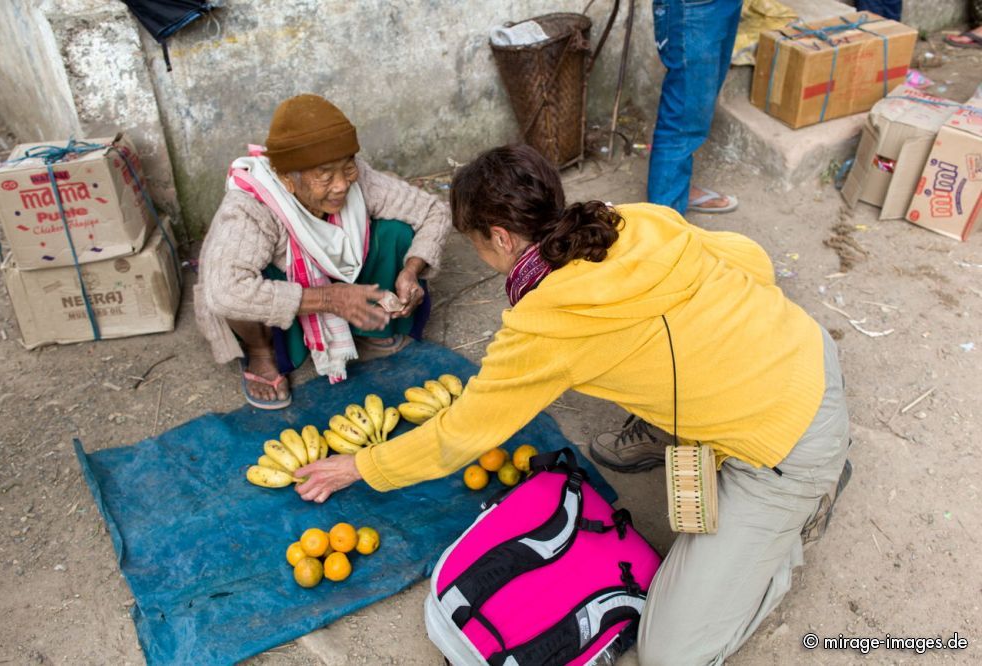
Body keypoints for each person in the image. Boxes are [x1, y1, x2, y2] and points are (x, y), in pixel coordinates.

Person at [294, 144, 852, 664]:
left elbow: (461, 433)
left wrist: (359, 465)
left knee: (669, 651)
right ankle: (687, 429)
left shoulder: (545, 327)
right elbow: (748, 258)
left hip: (786, 448)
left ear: (501, 238)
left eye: (477, 244)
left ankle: (787, 530)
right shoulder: (628, 219)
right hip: (806, 347)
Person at [195, 94, 451, 409]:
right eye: (325, 175)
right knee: (235, 283)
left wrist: (411, 270)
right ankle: (262, 353)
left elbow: (433, 211)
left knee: (395, 232)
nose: (342, 184)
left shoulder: (360, 179)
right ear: (288, 178)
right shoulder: (250, 207)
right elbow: (224, 290)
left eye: (347, 167)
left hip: (331, 274)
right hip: (283, 285)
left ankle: (366, 327)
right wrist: (330, 298)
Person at [647, 0, 742, 214]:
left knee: (697, 104)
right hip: (693, 7)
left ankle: (677, 189)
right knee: (684, 118)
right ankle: (665, 217)